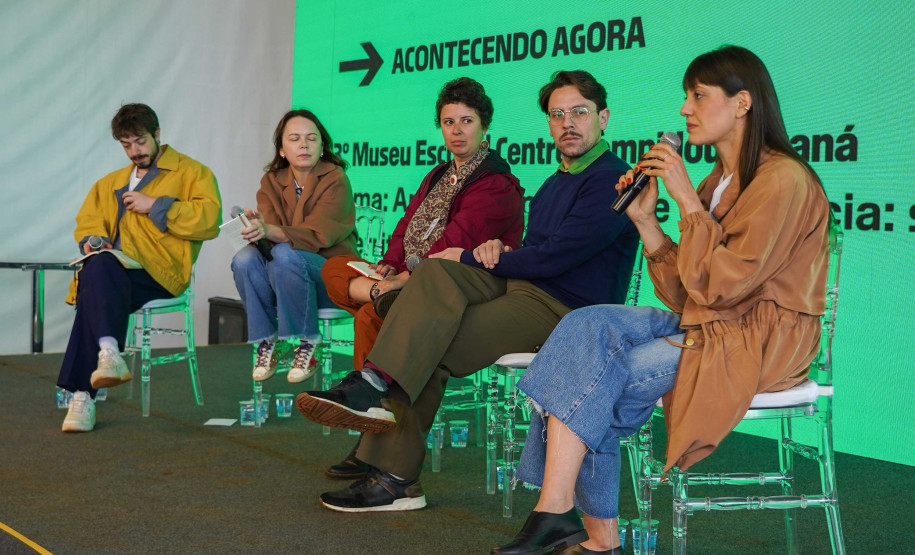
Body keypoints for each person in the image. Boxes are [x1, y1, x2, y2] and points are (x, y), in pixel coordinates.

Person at [493, 46, 832, 555]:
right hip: (710, 322)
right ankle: (569, 520)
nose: (684, 110)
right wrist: (647, 222)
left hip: (761, 339)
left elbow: (721, 287)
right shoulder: (719, 180)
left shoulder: (782, 179)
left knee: (597, 377)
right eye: (685, 97)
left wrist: (688, 203)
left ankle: (578, 527)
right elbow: (686, 291)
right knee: (585, 328)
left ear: (742, 104)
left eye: (698, 96)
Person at [296, 70, 640, 512]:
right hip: (523, 288)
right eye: (557, 114)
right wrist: (501, 249)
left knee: (428, 338)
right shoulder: (557, 179)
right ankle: (376, 393)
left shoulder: (611, 178)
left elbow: (557, 257)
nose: (567, 123)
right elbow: (535, 250)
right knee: (435, 278)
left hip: (567, 313)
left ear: (603, 117)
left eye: (579, 112)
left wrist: (478, 256)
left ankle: (393, 473)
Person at [319, 76, 525, 480]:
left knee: (369, 318)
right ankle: (382, 291)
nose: (457, 131)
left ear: (485, 126)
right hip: (409, 278)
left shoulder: (496, 181)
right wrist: (390, 266)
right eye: (449, 122)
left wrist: (409, 276)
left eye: (467, 121)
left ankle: (369, 440)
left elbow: (455, 242)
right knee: (333, 266)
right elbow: (406, 225)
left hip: (458, 286)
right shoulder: (436, 175)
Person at [58, 103, 222, 433]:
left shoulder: (193, 173)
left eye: (140, 141)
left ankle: (83, 396)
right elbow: (88, 222)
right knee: (98, 266)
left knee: (95, 281)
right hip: (114, 272)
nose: (134, 151)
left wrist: (157, 206)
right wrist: (92, 241)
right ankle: (106, 357)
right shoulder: (110, 183)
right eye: (126, 144)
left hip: (161, 273)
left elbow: (209, 222)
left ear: (157, 134)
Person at [231, 109, 357, 385]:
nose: (304, 145)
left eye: (312, 138)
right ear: (282, 150)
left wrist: (271, 231)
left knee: (286, 252)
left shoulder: (336, 179)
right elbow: (270, 237)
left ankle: (308, 342)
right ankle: (268, 342)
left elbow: (318, 235)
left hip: (330, 279)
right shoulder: (271, 181)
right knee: (244, 259)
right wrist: (256, 228)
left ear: (322, 146)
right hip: (285, 281)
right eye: (295, 139)